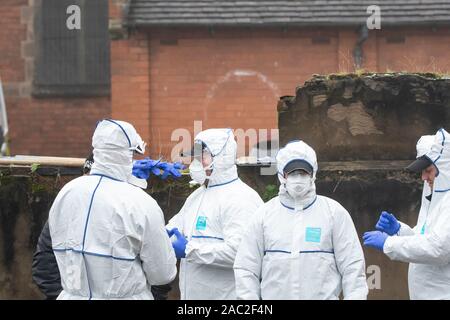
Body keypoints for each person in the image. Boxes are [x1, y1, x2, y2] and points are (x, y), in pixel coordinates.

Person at [48, 119, 177, 299]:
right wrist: (170, 250)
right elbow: (162, 275)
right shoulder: (141, 202)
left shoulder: (67, 192)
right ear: (127, 154)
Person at [234, 140, 368, 300]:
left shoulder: (333, 213)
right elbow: (246, 267)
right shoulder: (264, 214)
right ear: (282, 175)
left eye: (304, 173)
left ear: (313, 174)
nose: (298, 178)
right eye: (292, 173)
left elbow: (352, 267)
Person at [166, 128, 263, 300]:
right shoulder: (198, 195)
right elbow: (175, 227)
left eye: (201, 157)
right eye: (194, 158)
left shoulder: (241, 199)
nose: (195, 164)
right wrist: (161, 235)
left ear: (221, 157)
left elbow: (239, 252)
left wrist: (190, 250)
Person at [363, 129, 450, 299]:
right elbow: (424, 237)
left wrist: (389, 243)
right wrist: (399, 231)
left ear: (445, 168)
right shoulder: (437, 198)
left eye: (428, 170)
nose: (423, 177)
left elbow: (438, 249)